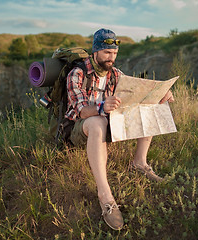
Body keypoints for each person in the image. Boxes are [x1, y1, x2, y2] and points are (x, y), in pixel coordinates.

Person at [65, 28, 174, 230]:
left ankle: (139, 163)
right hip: (82, 129)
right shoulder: (77, 73)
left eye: (114, 53)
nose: (111, 58)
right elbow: (80, 110)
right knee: (98, 121)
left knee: (146, 106)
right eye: (107, 53)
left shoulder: (115, 74)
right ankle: (104, 194)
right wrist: (100, 107)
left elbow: (136, 92)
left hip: (109, 124)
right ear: (95, 51)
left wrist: (159, 95)